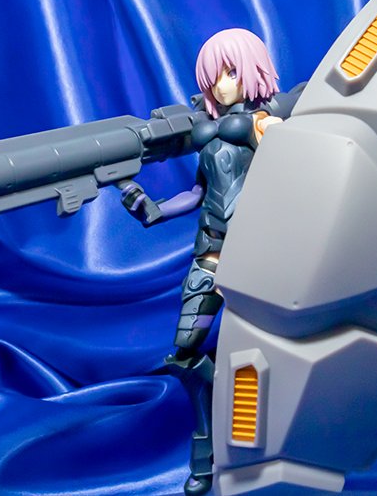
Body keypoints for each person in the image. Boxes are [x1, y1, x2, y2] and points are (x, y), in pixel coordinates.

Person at [120, 28, 287, 495]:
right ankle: (209, 450)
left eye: (231, 72)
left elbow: (300, 176)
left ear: (252, 71)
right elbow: (197, 193)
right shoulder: (211, 139)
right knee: (184, 354)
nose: (221, 84)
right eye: (214, 76)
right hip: (211, 254)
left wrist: (277, 135)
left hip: (263, 260)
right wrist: (153, 209)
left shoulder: (264, 126)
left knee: (310, 348)